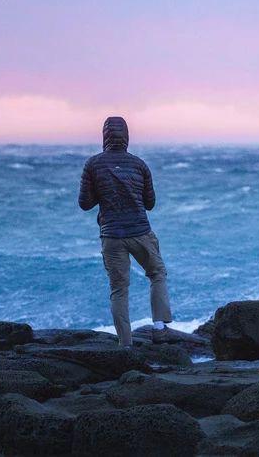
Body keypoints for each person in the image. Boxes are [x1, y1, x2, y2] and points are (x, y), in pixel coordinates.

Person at [78, 116, 183, 346]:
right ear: (126, 136)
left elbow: (84, 203)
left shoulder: (93, 164)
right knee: (157, 274)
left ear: (104, 136)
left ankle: (125, 345)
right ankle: (159, 328)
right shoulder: (139, 164)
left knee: (119, 289)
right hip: (140, 233)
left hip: (112, 236)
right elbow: (150, 203)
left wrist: (103, 191)